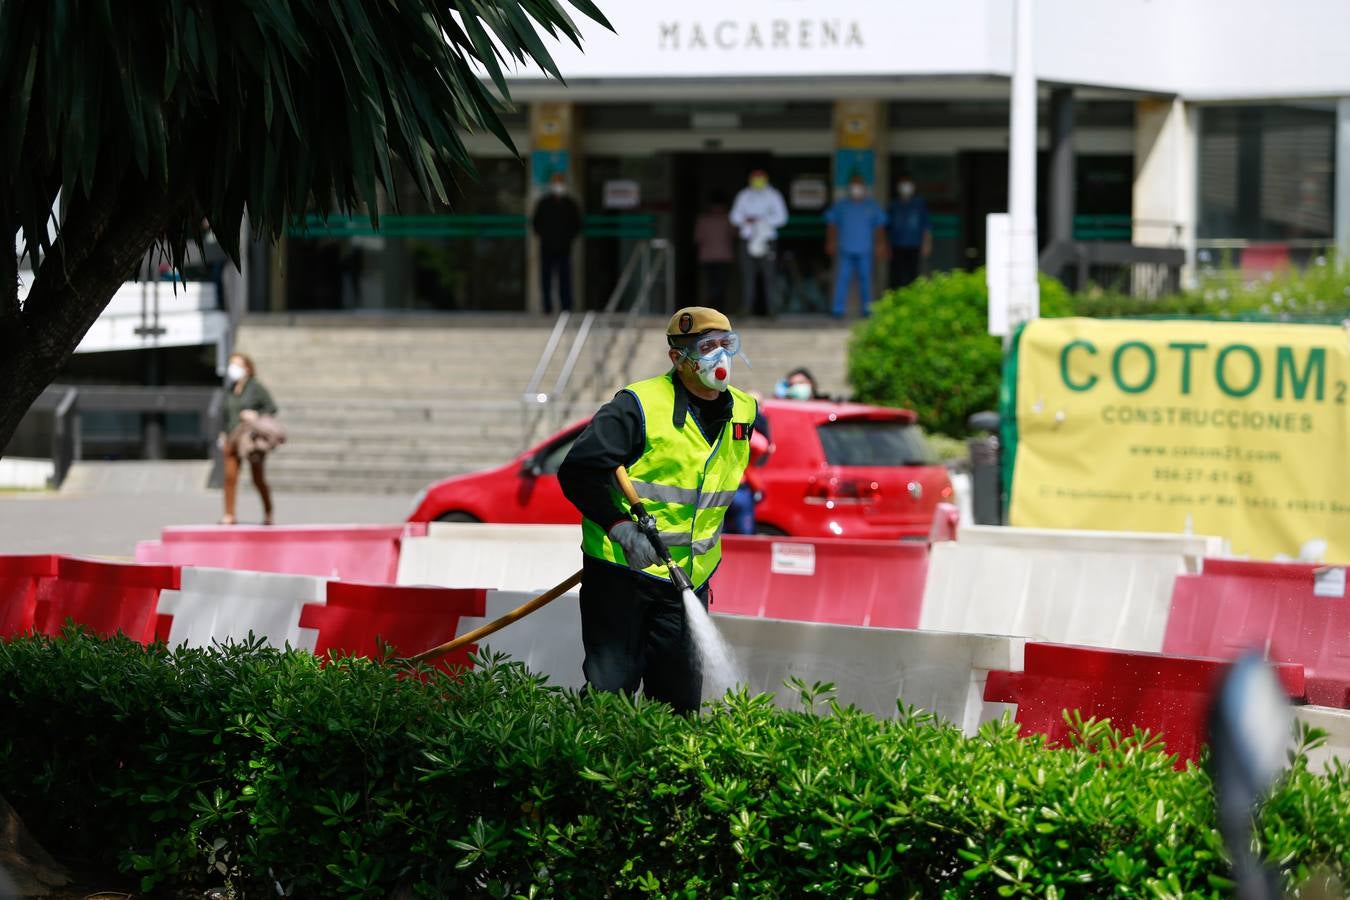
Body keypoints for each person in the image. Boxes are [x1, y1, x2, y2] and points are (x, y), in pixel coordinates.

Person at [558, 307, 758, 713]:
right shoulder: (638, 406)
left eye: (727, 345)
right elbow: (579, 470)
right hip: (622, 576)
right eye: (706, 347)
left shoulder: (744, 411)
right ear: (677, 358)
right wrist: (620, 528)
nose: (719, 356)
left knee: (679, 703)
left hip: (688, 579)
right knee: (608, 697)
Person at [219, 352, 279, 525]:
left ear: (247, 368)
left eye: (237, 365)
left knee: (257, 478)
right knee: (230, 477)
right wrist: (222, 433)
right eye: (231, 364)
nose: (233, 369)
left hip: (250, 439)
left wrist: (255, 415)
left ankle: (268, 511)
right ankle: (229, 514)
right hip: (232, 436)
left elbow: (272, 408)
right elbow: (225, 413)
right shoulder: (230, 389)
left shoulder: (256, 388)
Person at [824, 174, 887, 318]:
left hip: (865, 249)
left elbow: (880, 227)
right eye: (854, 185)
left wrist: (881, 245)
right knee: (842, 279)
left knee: (866, 280)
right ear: (849, 188)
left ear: (864, 188)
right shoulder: (841, 206)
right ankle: (838, 310)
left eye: (859, 185)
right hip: (845, 249)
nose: (856, 189)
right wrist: (830, 242)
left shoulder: (871, 206)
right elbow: (831, 225)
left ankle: (867, 310)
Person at [728, 169, 788, 317]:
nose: (758, 181)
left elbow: (782, 218)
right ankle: (746, 309)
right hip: (747, 239)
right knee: (747, 275)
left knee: (769, 275)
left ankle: (772, 310)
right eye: (755, 179)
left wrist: (762, 220)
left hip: (767, 239)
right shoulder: (744, 195)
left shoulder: (774, 195)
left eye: (761, 179)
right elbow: (734, 216)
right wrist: (746, 220)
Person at [531, 172, 582, 313]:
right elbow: (535, 224)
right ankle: (547, 308)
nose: (558, 185)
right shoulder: (543, 203)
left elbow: (577, 225)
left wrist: (568, 238)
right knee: (545, 278)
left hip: (564, 247)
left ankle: (566, 307)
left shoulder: (570, 204)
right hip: (546, 246)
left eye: (560, 182)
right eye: (556, 182)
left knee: (565, 278)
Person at [887, 173, 932, 289]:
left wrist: (926, 244)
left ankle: (912, 301)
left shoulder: (919, 203)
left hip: (914, 245)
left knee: (913, 276)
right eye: (902, 183)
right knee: (897, 276)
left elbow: (926, 226)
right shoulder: (894, 204)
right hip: (897, 246)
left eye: (907, 183)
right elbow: (888, 227)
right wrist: (887, 246)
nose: (905, 186)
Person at [693, 192, 735, 309]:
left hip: (709, 257)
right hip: (722, 257)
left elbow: (697, 238)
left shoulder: (703, 219)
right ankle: (716, 308)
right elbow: (735, 235)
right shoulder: (727, 219)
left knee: (713, 285)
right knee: (719, 285)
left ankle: (712, 307)